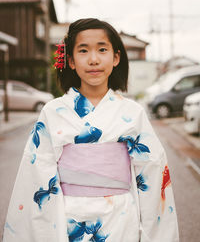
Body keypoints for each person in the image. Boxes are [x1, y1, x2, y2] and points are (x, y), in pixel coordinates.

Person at [3, 18, 179, 242]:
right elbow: (36, 174)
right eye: (83, 51)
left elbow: (153, 174)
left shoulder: (133, 113)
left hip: (121, 217)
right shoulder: (53, 112)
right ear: (71, 61)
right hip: (67, 216)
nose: (94, 59)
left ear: (116, 58)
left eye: (102, 50)